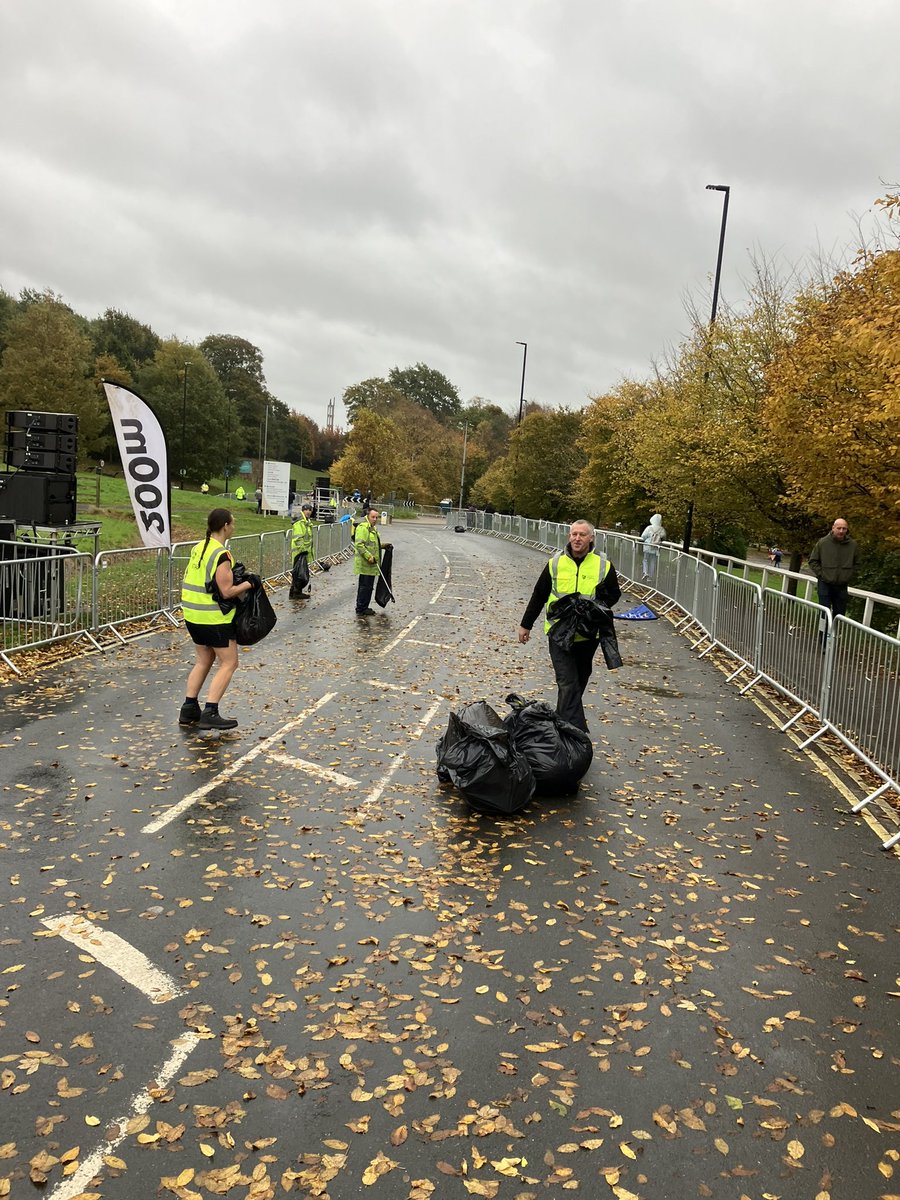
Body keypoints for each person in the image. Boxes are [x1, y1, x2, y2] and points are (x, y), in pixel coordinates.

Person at [518, 519, 621, 732]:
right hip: (558, 633)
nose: (577, 538)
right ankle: (572, 733)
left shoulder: (603, 564)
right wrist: (525, 625)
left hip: (587, 634)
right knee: (567, 682)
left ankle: (563, 727)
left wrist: (596, 606)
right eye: (574, 534)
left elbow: (614, 594)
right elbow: (539, 594)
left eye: (582, 534)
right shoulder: (555, 563)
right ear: (569, 536)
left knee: (578, 683)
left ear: (591, 538)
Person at [179, 508, 254, 730]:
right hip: (213, 618)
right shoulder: (221, 554)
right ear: (225, 526)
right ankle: (210, 711)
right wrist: (251, 583)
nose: (234, 527)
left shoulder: (198, 547)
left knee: (203, 660)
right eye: (233, 523)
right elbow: (227, 591)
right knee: (230, 662)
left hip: (193, 615)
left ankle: (189, 708)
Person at [809, 517, 859, 618]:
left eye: (844, 529)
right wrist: (822, 575)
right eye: (839, 528)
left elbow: (857, 564)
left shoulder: (852, 545)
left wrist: (848, 575)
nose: (841, 531)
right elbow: (813, 561)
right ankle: (822, 633)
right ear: (833, 528)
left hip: (841, 585)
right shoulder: (823, 543)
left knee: (840, 614)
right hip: (825, 584)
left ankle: (835, 633)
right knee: (824, 613)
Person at [354, 507, 382, 617]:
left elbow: (373, 544)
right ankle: (361, 608)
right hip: (365, 564)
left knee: (369, 587)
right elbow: (359, 545)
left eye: (376, 517)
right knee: (365, 587)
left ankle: (364, 606)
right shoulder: (363, 528)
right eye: (373, 517)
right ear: (368, 516)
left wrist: (382, 546)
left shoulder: (372, 528)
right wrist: (368, 556)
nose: (375, 519)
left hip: (372, 565)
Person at [290, 503, 315, 598]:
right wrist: (302, 550)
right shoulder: (300, 523)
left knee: (299, 571)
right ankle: (296, 592)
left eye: (310, 510)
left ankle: (295, 591)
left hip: (304, 551)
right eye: (306, 510)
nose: (308, 512)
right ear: (303, 511)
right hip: (299, 551)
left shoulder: (306, 522)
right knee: (298, 572)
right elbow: (298, 538)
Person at [640, 513, 666, 582]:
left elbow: (643, 536)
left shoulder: (649, 528)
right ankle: (650, 577)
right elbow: (664, 537)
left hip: (647, 546)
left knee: (645, 560)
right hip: (655, 547)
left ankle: (645, 572)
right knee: (653, 562)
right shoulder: (661, 529)